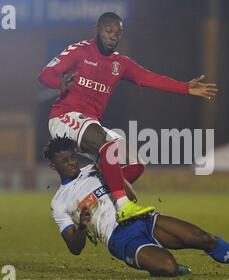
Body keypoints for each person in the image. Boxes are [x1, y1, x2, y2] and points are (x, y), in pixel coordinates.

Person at [38, 12, 218, 224]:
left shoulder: (120, 64)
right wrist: (60, 83)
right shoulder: (79, 51)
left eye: (118, 33)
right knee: (107, 145)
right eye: (108, 31)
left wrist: (185, 88)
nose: (113, 36)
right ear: (98, 30)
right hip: (64, 116)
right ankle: (123, 206)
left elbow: (149, 79)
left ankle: (93, 194)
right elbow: (45, 74)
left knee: (136, 163)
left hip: (90, 123)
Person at [44, 137, 229, 278]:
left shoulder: (95, 170)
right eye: (64, 161)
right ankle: (157, 267)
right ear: (53, 166)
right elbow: (74, 248)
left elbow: (137, 167)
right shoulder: (60, 202)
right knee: (169, 267)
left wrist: (111, 166)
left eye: (73, 157)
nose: (72, 163)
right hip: (119, 238)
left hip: (143, 219)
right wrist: (83, 224)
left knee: (202, 237)